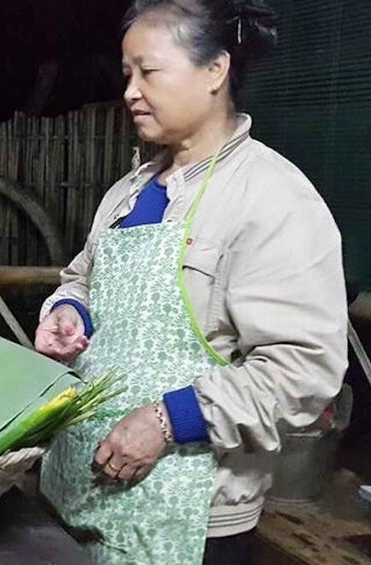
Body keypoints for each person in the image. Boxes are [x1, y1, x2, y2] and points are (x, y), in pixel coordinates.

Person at [34, 1, 348, 564]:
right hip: (77, 493)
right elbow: (80, 277)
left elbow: (304, 369)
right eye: (127, 73)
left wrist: (167, 420)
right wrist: (69, 312)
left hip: (188, 518)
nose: (130, 90)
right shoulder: (128, 191)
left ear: (215, 71)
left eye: (148, 72)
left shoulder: (272, 198)